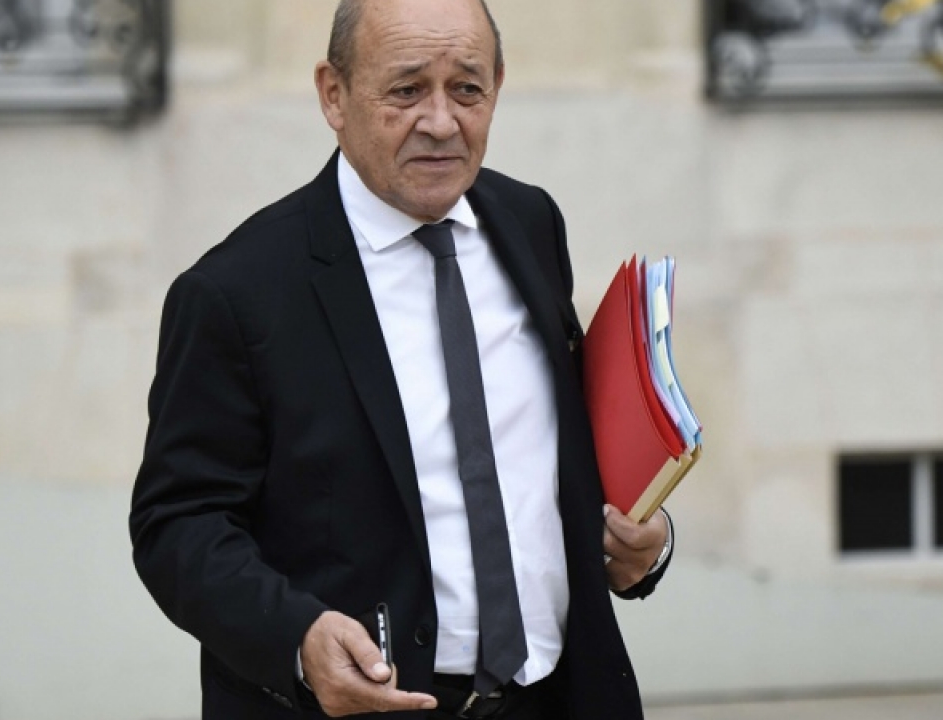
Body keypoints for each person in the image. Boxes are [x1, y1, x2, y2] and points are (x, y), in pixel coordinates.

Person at [129, 0, 674, 718]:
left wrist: (644, 541)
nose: (441, 122)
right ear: (334, 94)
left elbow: (553, 456)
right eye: (407, 89)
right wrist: (297, 638)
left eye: (467, 89)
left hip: (558, 698)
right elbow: (178, 525)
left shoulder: (531, 223)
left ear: (498, 87)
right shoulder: (236, 293)